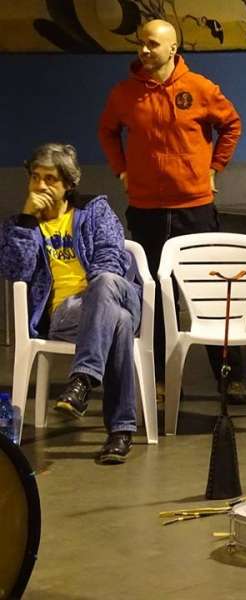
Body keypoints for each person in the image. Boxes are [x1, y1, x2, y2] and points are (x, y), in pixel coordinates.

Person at [97, 19, 246, 405]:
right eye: (141, 43)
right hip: (146, 210)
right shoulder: (124, 94)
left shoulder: (199, 88)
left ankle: (230, 377)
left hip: (194, 209)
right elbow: (107, 131)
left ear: (173, 49)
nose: (144, 50)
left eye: (152, 44)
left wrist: (214, 168)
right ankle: (160, 380)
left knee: (210, 292)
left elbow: (231, 125)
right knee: (154, 298)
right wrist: (122, 170)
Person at [0, 144, 142, 464]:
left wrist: (95, 296)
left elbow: (111, 258)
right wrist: (27, 220)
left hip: (114, 294)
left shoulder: (95, 211)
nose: (40, 186)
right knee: (117, 322)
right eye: (35, 177)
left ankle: (82, 380)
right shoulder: (18, 225)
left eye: (50, 179)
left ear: (68, 184)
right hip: (64, 316)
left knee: (105, 285)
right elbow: (15, 270)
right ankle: (119, 431)